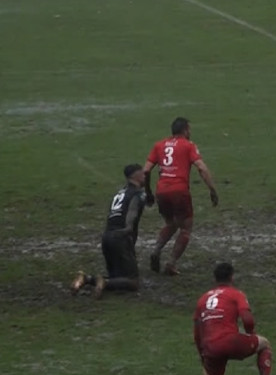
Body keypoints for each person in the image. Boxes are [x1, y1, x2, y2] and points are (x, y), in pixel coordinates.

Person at [193, 262, 276, 375]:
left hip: (211, 346)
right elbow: (247, 319)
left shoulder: (202, 300)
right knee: (264, 343)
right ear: (232, 277)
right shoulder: (236, 294)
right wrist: (250, 334)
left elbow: (197, 332)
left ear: (214, 279)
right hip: (230, 341)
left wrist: (202, 354)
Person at [142, 117, 219, 276]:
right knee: (185, 227)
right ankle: (171, 264)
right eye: (189, 129)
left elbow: (146, 170)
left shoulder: (159, 145)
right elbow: (201, 168)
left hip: (161, 191)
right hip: (179, 191)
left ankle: (156, 250)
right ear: (185, 130)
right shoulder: (188, 145)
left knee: (171, 223)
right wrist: (212, 190)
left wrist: (148, 192)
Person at [70, 164, 147, 298]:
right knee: (133, 282)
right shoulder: (136, 194)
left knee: (116, 277)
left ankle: (86, 279)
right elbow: (132, 211)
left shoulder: (120, 193)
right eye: (143, 173)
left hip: (107, 236)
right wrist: (128, 229)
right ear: (136, 176)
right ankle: (103, 282)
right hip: (121, 237)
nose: (145, 176)